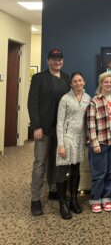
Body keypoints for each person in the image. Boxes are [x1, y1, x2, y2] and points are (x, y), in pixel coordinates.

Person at [28, 49, 70, 216]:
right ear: (48, 61)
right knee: (40, 163)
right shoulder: (38, 78)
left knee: (55, 162)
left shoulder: (67, 78)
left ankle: (53, 189)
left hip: (60, 130)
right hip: (43, 130)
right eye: (54, 59)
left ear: (63, 61)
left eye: (60, 59)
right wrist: (36, 126)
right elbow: (32, 103)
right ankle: (35, 199)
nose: (57, 62)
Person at [56, 71, 91, 219]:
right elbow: (60, 122)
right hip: (66, 139)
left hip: (80, 140)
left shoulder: (88, 98)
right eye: (75, 81)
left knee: (76, 170)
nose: (78, 83)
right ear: (71, 84)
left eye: (80, 80)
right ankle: (62, 204)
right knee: (62, 171)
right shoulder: (65, 99)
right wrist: (60, 144)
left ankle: (73, 200)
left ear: (84, 82)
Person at [87, 71, 111, 213]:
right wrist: (94, 143)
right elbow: (90, 124)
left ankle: (106, 197)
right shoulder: (95, 101)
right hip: (100, 141)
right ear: (101, 83)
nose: (109, 84)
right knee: (99, 173)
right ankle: (95, 199)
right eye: (106, 82)